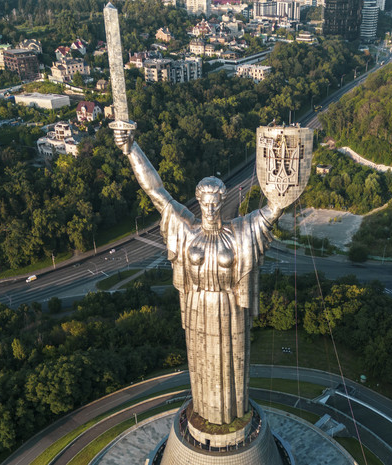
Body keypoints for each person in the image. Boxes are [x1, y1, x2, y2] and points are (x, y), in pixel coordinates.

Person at [114, 129, 282, 425]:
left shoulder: (241, 232)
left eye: (216, 202)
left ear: (222, 201)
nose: (211, 209)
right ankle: (204, 413)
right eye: (205, 203)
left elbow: (269, 213)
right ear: (198, 202)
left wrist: (282, 195)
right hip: (197, 307)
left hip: (230, 308)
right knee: (202, 365)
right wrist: (131, 150)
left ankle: (233, 415)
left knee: (233, 365)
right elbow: (156, 191)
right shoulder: (186, 231)